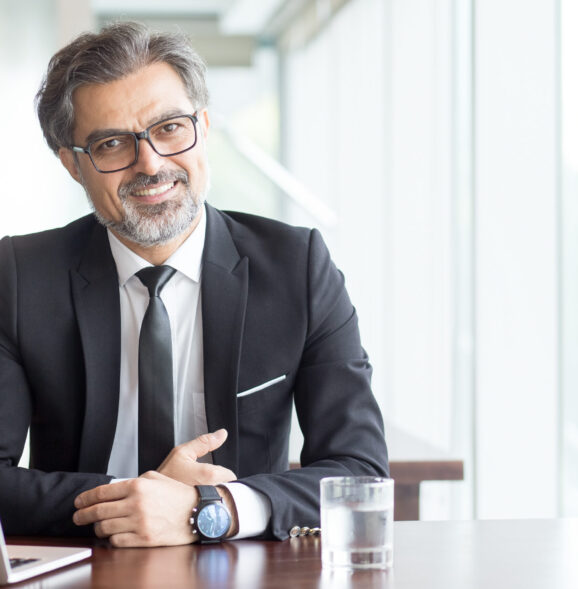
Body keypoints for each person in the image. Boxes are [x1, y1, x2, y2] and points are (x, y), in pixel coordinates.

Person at [0, 22, 388, 547]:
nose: (151, 164)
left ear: (203, 126)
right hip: (82, 567)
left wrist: (213, 510)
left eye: (170, 128)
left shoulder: (297, 266)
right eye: (112, 143)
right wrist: (133, 503)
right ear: (73, 164)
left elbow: (360, 471)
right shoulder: (19, 275)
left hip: (246, 568)